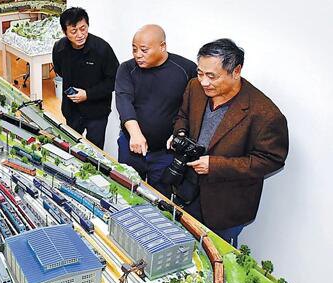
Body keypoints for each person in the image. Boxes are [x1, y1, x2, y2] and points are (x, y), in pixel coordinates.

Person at [169, 38, 289, 246]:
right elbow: (183, 116)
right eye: (200, 73)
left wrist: (215, 165)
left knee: (216, 255)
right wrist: (179, 134)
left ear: (236, 71)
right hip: (186, 188)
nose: (204, 82)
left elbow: (271, 160)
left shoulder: (265, 114)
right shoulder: (195, 87)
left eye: (212, 76)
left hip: (224, 206)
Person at [115, 24, 196, 196]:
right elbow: (123, 101)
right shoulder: (127, 68)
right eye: (134, 49)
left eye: (144, 50)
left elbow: (193, 107)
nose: (138, 54)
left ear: (162, 46)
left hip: (165, 153)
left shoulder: (186, 69)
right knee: (125, 192)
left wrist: (181, 134)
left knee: (159, 197)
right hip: (131, 147)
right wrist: (135, 134)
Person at [52, 7, 119, 149]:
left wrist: (88, 94)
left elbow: (114, 80)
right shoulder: (59, 48)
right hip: (72, 110)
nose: (80, 35)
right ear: (64, 32)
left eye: (83, 29)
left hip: (97, 112)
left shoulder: (102, 49)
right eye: (73, 31)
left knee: (95, 152)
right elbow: (59, 70)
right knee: (71, 147)